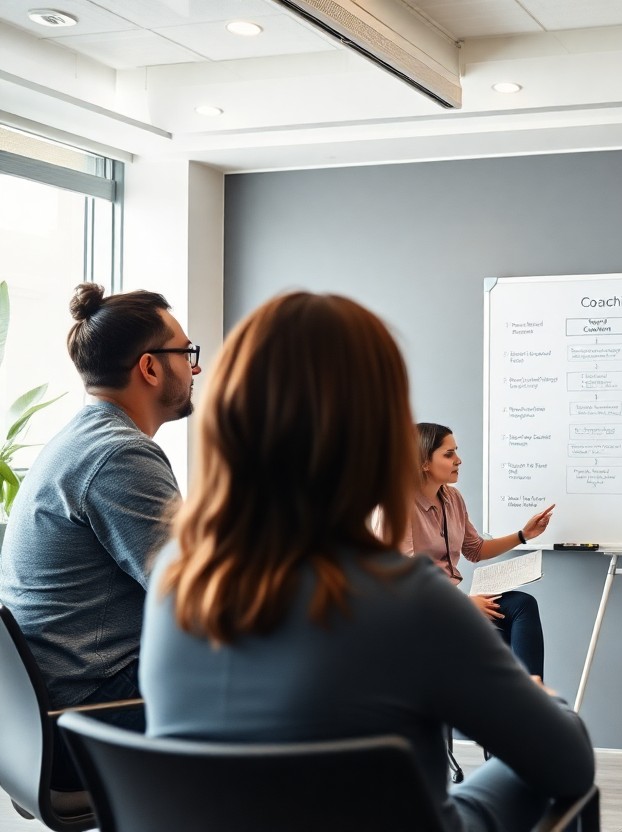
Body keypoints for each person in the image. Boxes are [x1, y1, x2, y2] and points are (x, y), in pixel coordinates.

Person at [139, 292, 594, 832]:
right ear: (378, 432)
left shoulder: (176, 574)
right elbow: (567, 765)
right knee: (564, 733)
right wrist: (544, 704)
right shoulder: (407, 596)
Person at [0, 283, 199, 786]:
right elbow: (194, 598)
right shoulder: (120, 455)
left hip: (35, 718)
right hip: (86, 716)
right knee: (300, 691)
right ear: (150, 368)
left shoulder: (81, 437)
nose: (194, 368)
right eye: (186, 353)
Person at [408, 422, 554, 678]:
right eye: (449, 454)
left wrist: (524, 534)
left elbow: (475, 549)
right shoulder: (398, 507)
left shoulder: (452, 498)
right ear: (424, 463)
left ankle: (532, 690)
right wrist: (464, 603)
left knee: (521, 605)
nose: (459, 460)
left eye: (456, 451)